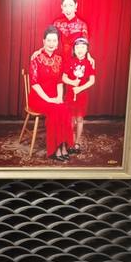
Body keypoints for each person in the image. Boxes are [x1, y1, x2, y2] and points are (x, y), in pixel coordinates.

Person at [28, 26, 73, 161]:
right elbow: (34, 83)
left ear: (58, 42)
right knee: (55, 109)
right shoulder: (36, 58)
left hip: (54, 95)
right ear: (43, 41)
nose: (51, 43)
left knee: (64, 107)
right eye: (48, 40)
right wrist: (49, 99)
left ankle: (63, 145)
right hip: (39, 97)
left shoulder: (59, 59)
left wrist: (59, 97)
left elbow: (59, 82)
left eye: (54, 40)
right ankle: (55, 149)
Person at [63, 35, 96, 154]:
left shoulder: (89, 63)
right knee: (71, 119)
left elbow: (92, 81)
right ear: (74, 49)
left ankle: (77, 141)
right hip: (70, 95)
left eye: (83, 47)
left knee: (80, 118)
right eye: (77, 47)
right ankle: (70, 141)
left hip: (82, 96)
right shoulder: (69, 61)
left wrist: (80, 88)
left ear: (87, 49)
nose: (80, 50)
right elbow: (64, 77)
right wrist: (72, 82)